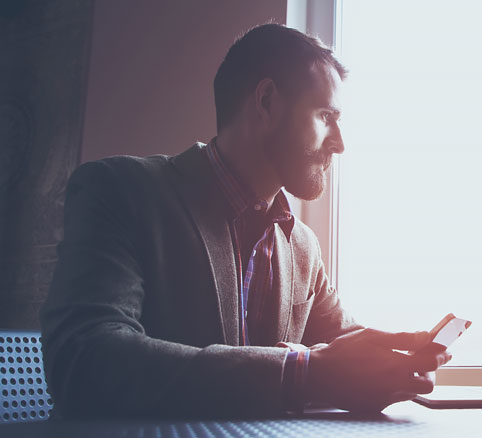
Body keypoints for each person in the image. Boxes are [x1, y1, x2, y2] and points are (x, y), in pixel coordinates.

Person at [40, 23, 450, 419]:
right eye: (326, 115)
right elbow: (83, 360)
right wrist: (300, 372)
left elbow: (340, 343)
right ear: (267, 102)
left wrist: (397, 363)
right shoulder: (121, 190)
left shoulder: (303, 246)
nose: (340, 143)